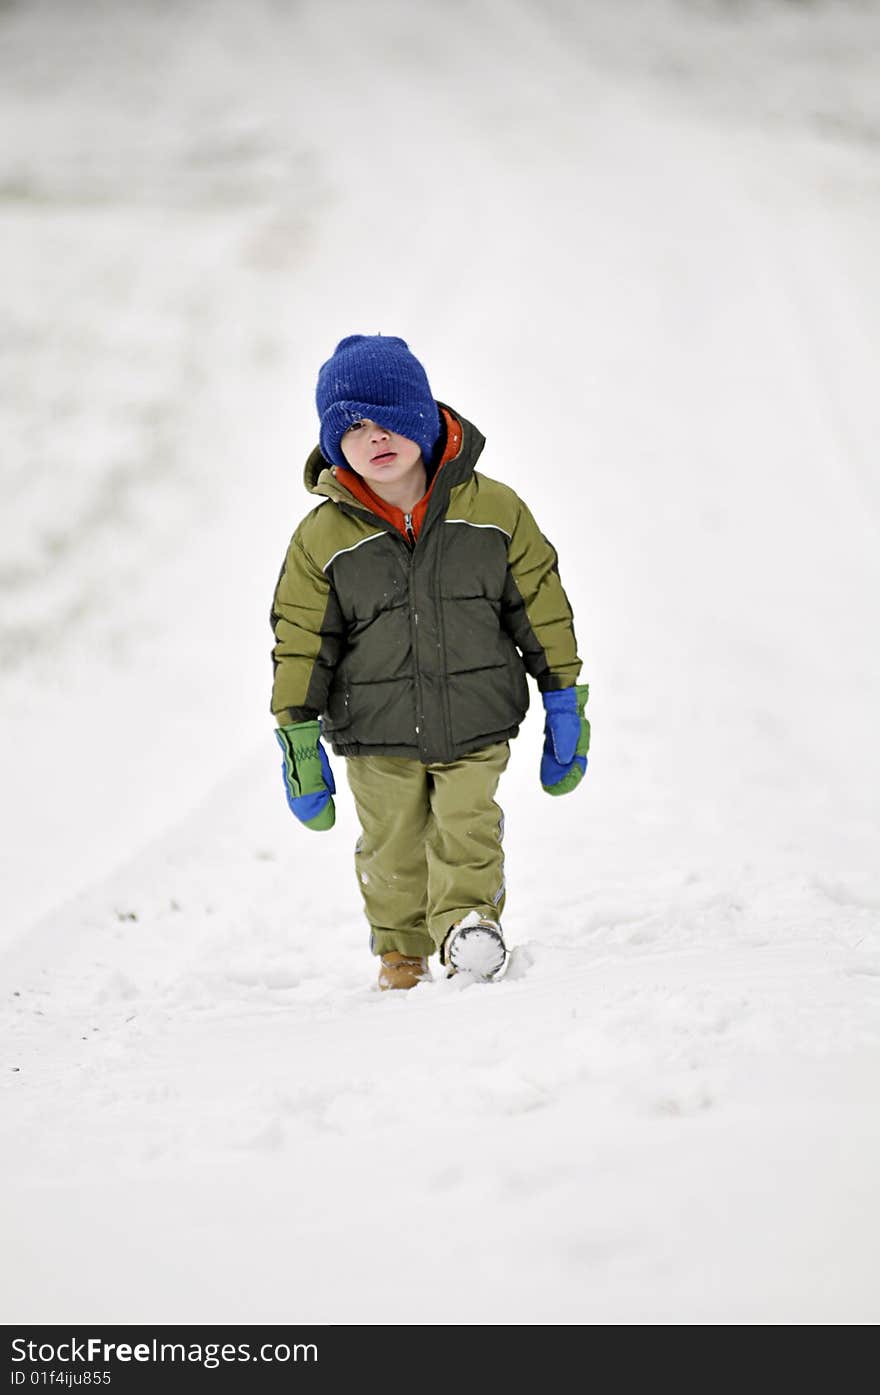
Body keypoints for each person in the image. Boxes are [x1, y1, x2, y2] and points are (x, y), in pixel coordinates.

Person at [270, 334, 589, 990]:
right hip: (375, 732)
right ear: (335, 443)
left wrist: (563, 693)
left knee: (468, 829)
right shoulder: (323, 539)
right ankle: (401, 950)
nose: (374, 436)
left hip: (476, 719)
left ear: (421, 414)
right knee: (392, 849)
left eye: (388, 415)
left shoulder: (495, 512)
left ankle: (468, 928)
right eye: (353, 426)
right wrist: (299, 737)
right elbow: (301, 639)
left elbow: (541, 603)